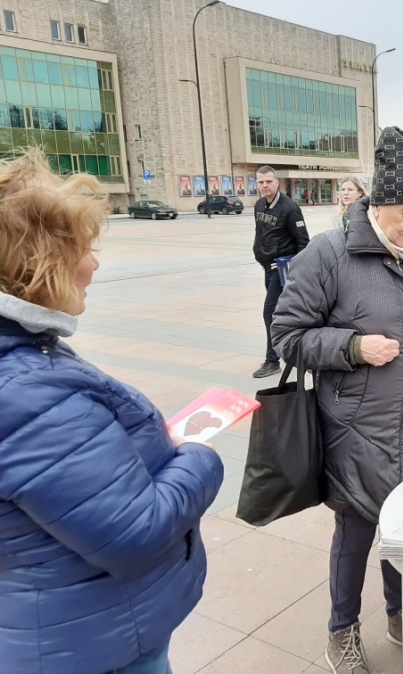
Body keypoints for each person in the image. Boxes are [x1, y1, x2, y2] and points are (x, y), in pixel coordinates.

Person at [0, 150, 224, 674]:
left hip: (73, 623)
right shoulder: (27, 392)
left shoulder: (25, 360)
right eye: (83, 251)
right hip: (95, 642)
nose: (93, 266)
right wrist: (197, 455)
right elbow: (134, 533)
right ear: (39, 266)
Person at [271, 127, 403, 674]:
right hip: (356, 429)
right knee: (356, 533)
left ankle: (401, 615)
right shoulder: (328, 254)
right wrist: (351, 347)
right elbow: (287, 336)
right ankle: (341, 631)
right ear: (377, 205)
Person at [252, 165, 309, 379]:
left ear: (277, 182)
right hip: (267, 267)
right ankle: (290, 351)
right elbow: (261, 234)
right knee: (280, 313)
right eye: (261, 182)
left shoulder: (289, 208)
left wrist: (296, 272)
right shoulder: (259, 205)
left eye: (269, 181)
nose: (265, 185)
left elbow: (303, 242)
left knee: (270, 313)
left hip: (282, 269)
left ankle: (272, 360)